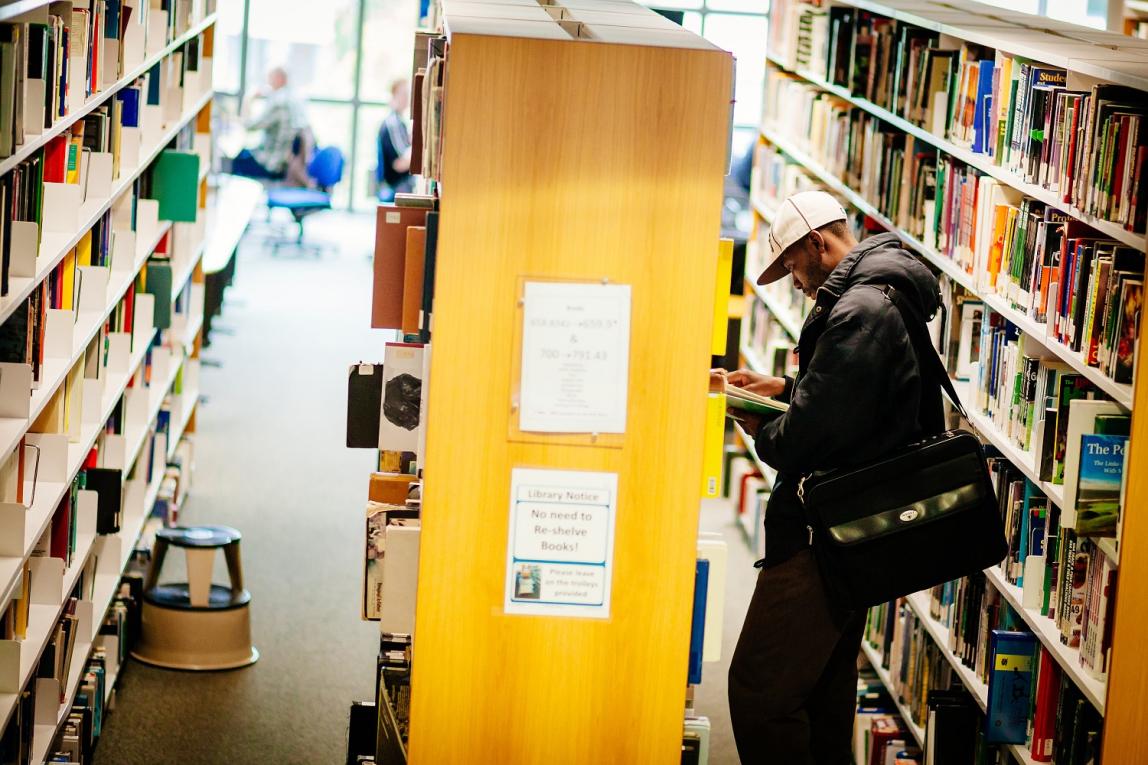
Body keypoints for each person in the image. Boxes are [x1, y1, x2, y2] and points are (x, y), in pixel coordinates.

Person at [723, 190, 941, 764]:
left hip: (825, 533)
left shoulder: (860, 311)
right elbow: (853, 406)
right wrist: (786, 393)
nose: (794, 282)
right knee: (823, 690)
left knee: (759, 691)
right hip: (856, 525)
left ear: (817, 242)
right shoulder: (883, 293)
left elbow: (805, 441)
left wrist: (756, 423)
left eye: (792, 264)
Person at [226, 66, 308, 180]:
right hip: (282, 160)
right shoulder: (292, 97)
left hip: (271, 164)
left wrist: (248, 99)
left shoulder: (279, 102)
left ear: (279, 79)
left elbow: (250, 126)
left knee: (233, 162)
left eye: (269, 79)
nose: (267, 83)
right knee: (243, 153)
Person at [377, 79, 414, 197]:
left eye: (408, 94)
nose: (407, 98)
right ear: (393, 96)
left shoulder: (399, 122)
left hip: (402, 183)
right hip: (397, 186)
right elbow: (400, 164)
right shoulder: (393, 123)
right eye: (403, 94)